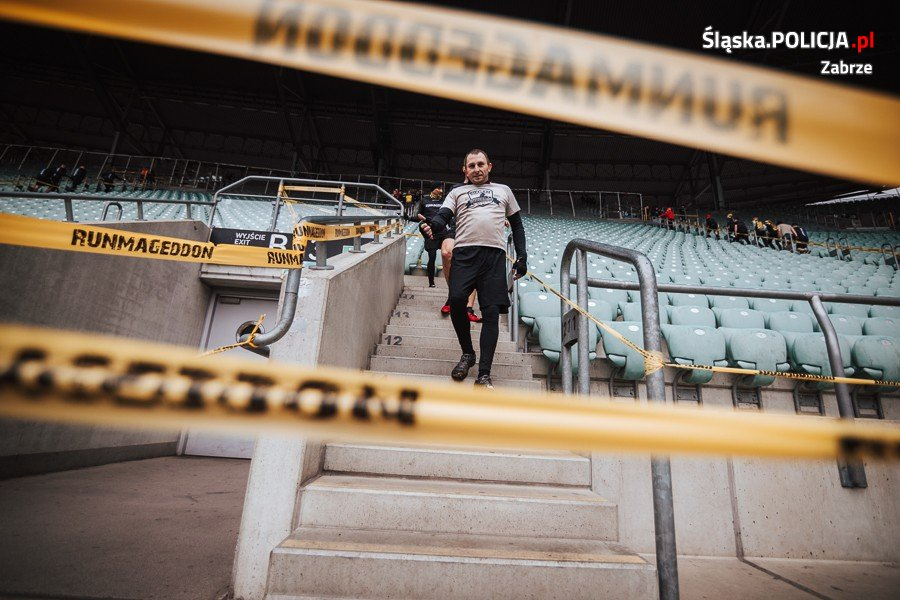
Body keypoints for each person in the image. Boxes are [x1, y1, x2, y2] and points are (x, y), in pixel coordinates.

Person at [421, 149, 527, 389]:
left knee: (490, 314)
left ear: (489, 166)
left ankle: (484, 374)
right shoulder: (457, 192)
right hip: (465, 254)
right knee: (457, 300)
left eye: (481, 164)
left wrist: (522, 256)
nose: (477, 169)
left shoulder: (504, 191)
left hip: (494, 256)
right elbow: (443, 217)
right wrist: (431, 226)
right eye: (472, 165)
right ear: (465, 170)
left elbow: (518, 227)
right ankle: (468, 354)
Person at [415, 183, 482, 321]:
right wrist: (430, 225)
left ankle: (468, 308)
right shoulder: (449, 199)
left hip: (475, 231)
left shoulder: (480, 194)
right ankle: (453, 297)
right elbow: (442, 217)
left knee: (473, 267)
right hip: (453, 230)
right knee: (446, 253)